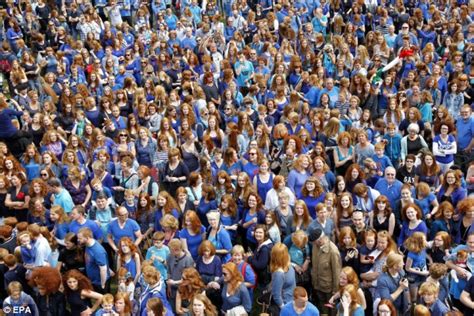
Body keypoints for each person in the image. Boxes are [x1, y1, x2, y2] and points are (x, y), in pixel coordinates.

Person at [310, 228, 341, 315]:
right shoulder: (315, 247)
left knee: (332, 309)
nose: (313, 243)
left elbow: (337, 272)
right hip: (318, 285)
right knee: (322, 309)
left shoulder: (333, 251)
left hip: (329, 289)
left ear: (320, 240)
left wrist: (335, 290)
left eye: (314, 241)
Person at [77, 227, 110, 293]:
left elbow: (103, 269)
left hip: (100, 282)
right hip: (93, 280)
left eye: (80, 238)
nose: (78, 240)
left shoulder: (98, 251)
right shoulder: (87, 245)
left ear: (87, 238)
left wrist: (103, 284)